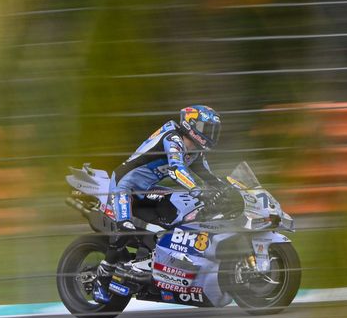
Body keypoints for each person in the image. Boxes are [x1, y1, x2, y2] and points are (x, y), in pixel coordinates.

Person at [92, 106, 238, 299]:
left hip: (146, 189)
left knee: (176, 212)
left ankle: (152, 262)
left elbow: (208, 176)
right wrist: (198, 191)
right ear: (191, 124)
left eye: (213, 130)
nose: (210, 134)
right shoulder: (173, 138)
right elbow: (176, 170)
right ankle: (101, 281)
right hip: (124, 186)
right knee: (125, 228)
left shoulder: (195, 151)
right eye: (206, 128)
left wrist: (230, 190)